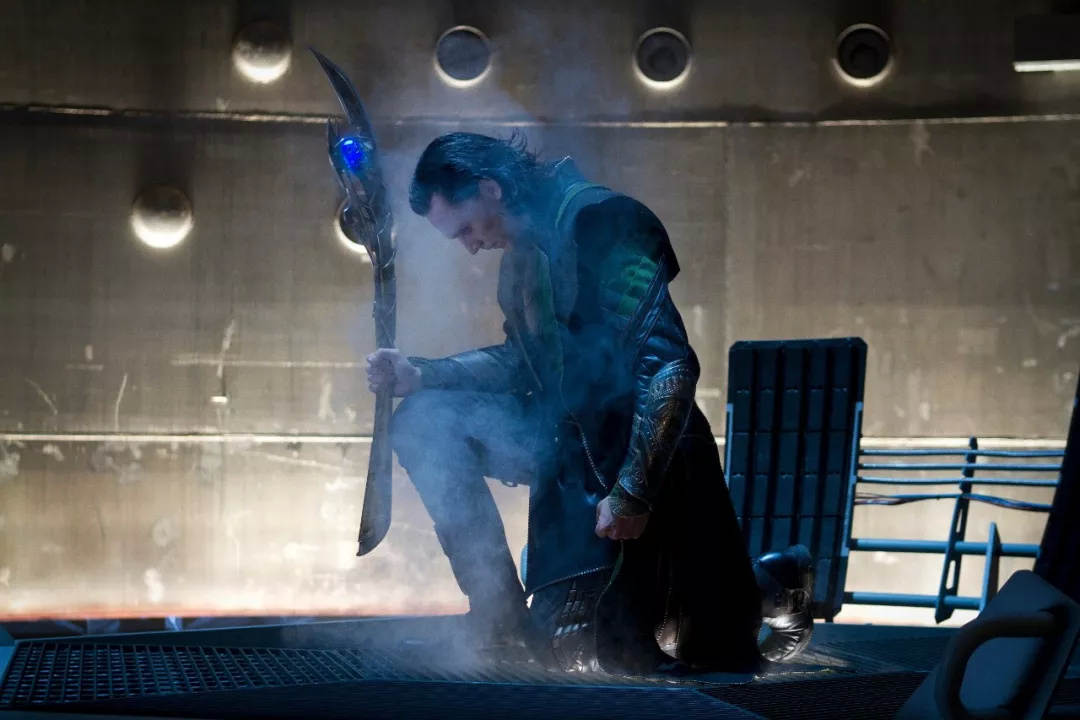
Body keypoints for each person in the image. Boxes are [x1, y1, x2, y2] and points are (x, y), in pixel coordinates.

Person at [367, 132, 807, 673]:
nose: (471, 246)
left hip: (642, 452)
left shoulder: (604, 223)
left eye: (466, 229)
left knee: (645, 646)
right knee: (423, 422)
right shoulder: (521, 261)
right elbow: (522, 363)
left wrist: (633, 493)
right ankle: (500, 615)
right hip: (565, 448)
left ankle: (776, 587)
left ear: (490, 188)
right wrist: (424, 374)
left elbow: (667, 365)